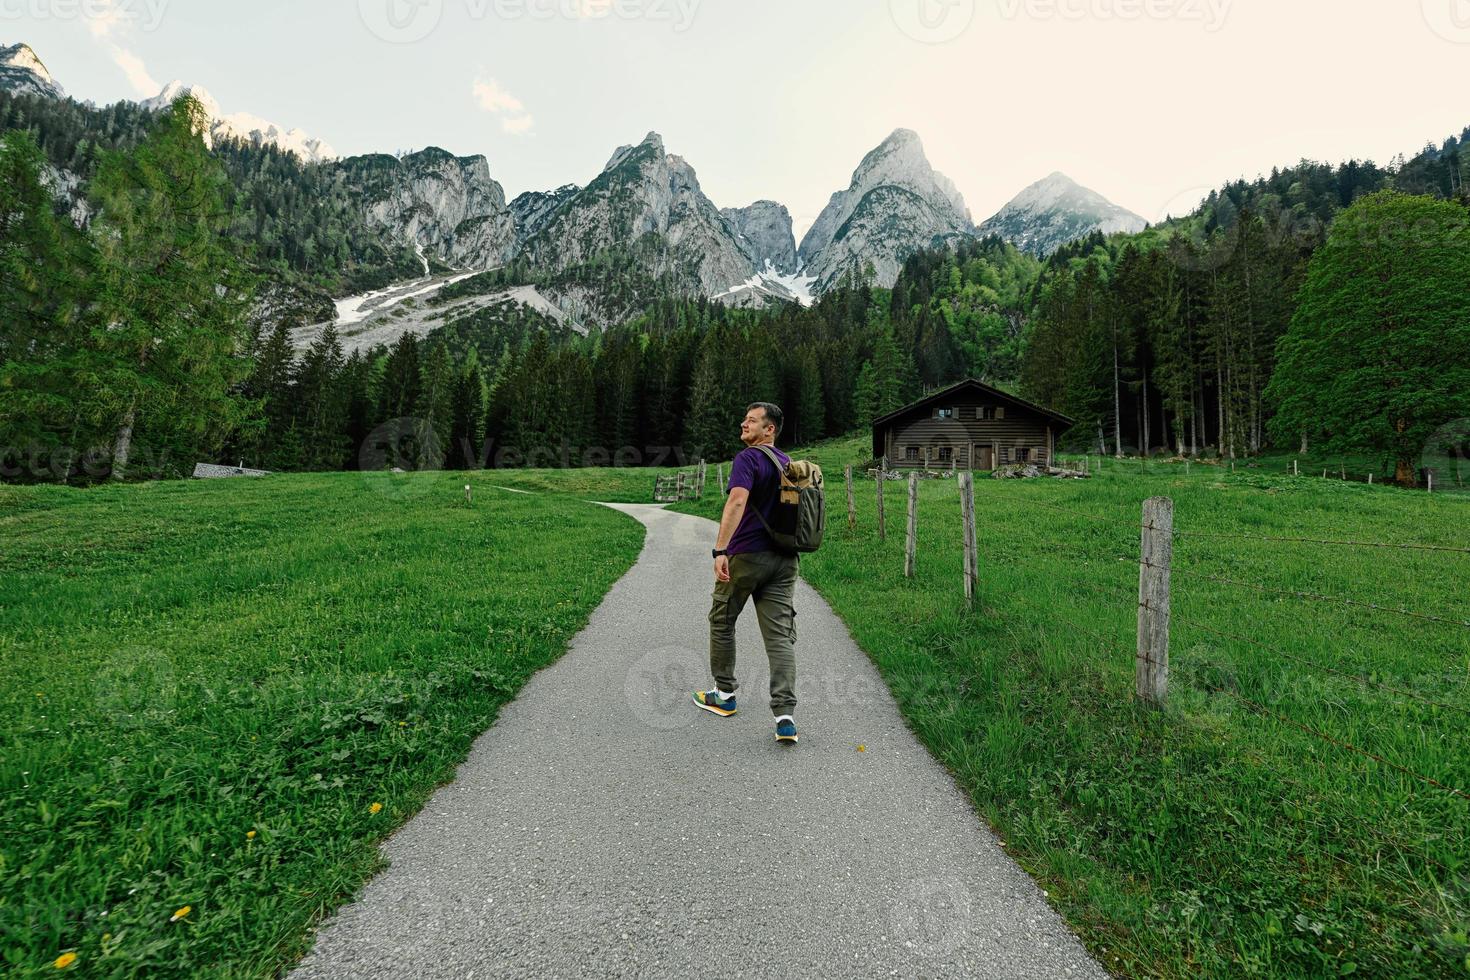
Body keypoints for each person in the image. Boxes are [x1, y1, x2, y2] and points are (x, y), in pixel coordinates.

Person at [692, 402, 800, 744]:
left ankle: (723, 695)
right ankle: (785, 717)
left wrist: (721, 549)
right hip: (785, 560)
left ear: (769, 430)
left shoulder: (749, 459)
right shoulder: (788, 463)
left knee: (722, 619)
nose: (744, 424)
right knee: (779, 636)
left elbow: (737, 501)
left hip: (747, 556)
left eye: (751, 421)